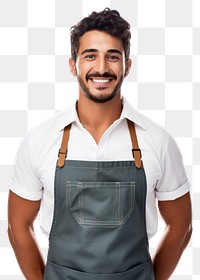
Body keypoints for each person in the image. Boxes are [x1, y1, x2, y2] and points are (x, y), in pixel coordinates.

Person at [8, 8, 192, 280]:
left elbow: (182, 225)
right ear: (74, 65)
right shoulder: (39, 141)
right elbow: (17, 226)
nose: (102, 68)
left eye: (113, 57)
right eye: (90, 55)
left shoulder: (158, 141)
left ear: (127, 66)